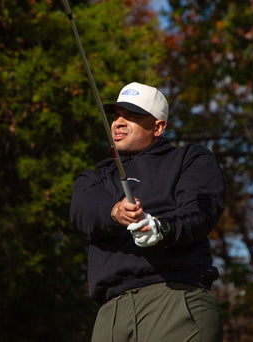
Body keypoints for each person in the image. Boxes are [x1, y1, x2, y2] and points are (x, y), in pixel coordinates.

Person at [70, 82, 226, 342]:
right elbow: (81, 211)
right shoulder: (95, 176)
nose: (119, 122)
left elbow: (200, 211)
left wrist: (160, 227)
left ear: (158, 127)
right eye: (117, 115)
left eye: (131, 116)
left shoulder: (189, 159)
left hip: (174, 299)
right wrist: (116, 212)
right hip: (112, 313)